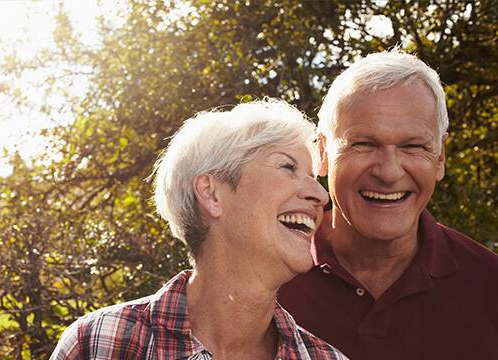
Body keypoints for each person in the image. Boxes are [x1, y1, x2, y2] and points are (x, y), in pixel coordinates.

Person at [51, 99, 347, 359]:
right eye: (287, 167)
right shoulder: (100, 343)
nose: (321, 196)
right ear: (211, 194)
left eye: (312, 177)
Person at [277, 49, 498, 360]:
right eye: (364, 144)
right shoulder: (263, 277)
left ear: (440, 157)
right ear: (323, 153)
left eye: (413, 146)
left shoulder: (490, 286)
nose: (389, 172)